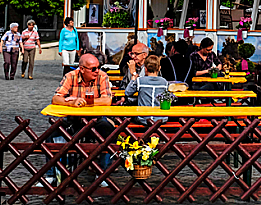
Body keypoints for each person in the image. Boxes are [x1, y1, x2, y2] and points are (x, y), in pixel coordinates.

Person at [47, 54, 114, 186]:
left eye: (98, 68)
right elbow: (56, 98)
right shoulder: (71, 76)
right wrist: (71, 103)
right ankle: (51, 174)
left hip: (96, 119)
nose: (96, 71)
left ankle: (103, 174)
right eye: (93, 69)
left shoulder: (102, 76)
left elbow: (107, 100)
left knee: (110, 133)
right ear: (82, 69)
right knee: (51, 135)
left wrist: (88, 102)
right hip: (74, 119)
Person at [126, 54, 170, 125]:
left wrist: (134, 76)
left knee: (128, 117)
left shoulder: (140, 81)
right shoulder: (164, 82)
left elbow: (128, 92)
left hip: (143, 118)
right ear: (159, 68)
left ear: (145, 68)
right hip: (161, 118)